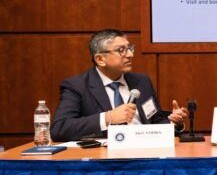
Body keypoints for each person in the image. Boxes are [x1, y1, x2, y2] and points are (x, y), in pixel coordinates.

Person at [51, 29, 187, 142]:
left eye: (130, 48)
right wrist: (108, 117)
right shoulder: (77, 86)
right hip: (105, 160)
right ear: (100, 59)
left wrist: (172, 123)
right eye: (121, 50)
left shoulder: (141, 81)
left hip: (147, 152)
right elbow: (59, 129)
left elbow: (154, 121)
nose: (130, 54)